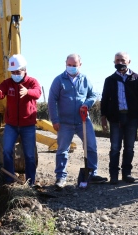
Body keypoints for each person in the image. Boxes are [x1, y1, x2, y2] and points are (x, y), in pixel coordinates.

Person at [48, 53, 108, 190]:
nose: (71, 67)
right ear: (65, 64)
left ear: (80, 65)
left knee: (91, 146)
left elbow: (93, 95)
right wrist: (55, 120)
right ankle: (60, 177)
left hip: (83, 121)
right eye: (69, 65)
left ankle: (92, 173)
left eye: (74, 65)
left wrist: (87, 104)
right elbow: (52, 100)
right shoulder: (59, 80)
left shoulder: (85, 79)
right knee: (62, 150)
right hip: (65, 123)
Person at [100, 52, 138, 185]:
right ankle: (114, 174)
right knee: (115, 147)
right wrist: (103, 117)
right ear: (114, 62)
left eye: (122, 60)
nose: (120, 62)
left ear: (129, 61)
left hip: (132, 118)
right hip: (115, 118)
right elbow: (104, 99)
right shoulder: (109, 80)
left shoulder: (137, 79)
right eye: (117, 60)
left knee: (129, 147)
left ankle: (126, 173)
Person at [0, 54, 41, 186]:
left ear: (24, 70)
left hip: (28, 125)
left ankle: (30, 182)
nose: (15, 74)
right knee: (7, 151)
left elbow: (38, 93)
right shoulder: (8, 83)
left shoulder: (32, 82)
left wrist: (28, 92)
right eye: (13, 72)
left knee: (29, 155)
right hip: (11, 125)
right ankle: (9, 179)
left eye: (18, 72)